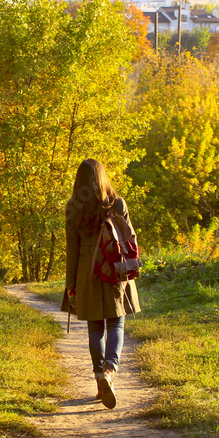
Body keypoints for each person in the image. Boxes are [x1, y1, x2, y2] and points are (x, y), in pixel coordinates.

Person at [62, 158, 141, 410]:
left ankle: (99, 378)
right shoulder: (117, 203)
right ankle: (109, 372)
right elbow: (129, 238)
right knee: (116, 322)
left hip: (87, 271)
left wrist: (70, 284)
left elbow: (72, 249)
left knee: (95, 327)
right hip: (114, 269)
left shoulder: (73, 208)